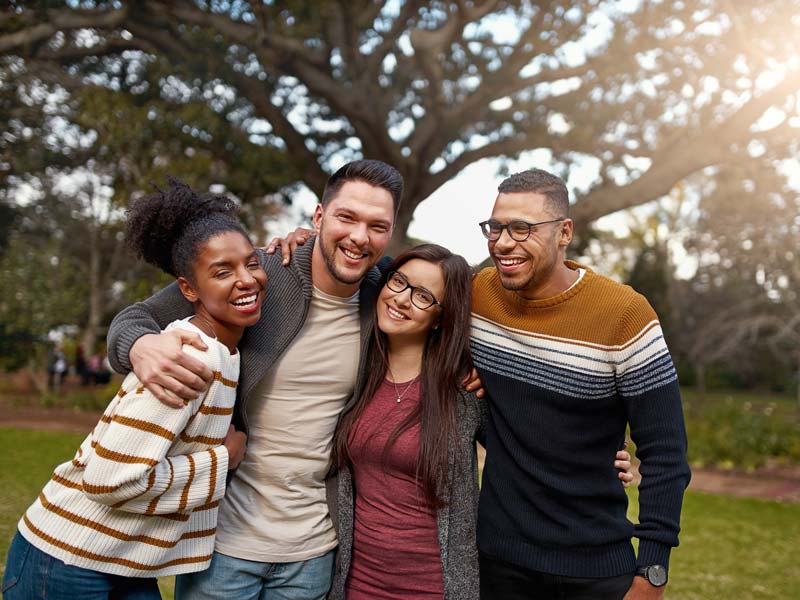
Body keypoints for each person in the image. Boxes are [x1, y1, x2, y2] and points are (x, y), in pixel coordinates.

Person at [105, 160, 403, 599]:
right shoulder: (259, 274)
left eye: (378, 226)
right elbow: (133, 319)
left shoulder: (386, 300)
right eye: (346, 217)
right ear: (318, 218)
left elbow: (440, 291)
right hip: (223, 544)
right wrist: (139, 346)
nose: (360, 236)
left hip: (314, 551)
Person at [2, 180, 260, 599]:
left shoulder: (226, 353)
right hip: (66, 559)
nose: (247, 280)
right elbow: (108, 481)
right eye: (223, 271)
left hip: (125, 562)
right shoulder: (190, 356)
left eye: (252, 263)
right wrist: (222, 459)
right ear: (188, 290)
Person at [471, 169, 691, 599]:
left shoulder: (623, 313)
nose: (502, 242)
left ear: (564, 232)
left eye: (521, 228)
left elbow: (665, 454)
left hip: (595, 567)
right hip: (496, 564)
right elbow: (404, 291)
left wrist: (653, 573)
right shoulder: (479, 293)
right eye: (495, 227)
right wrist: (310, 246)